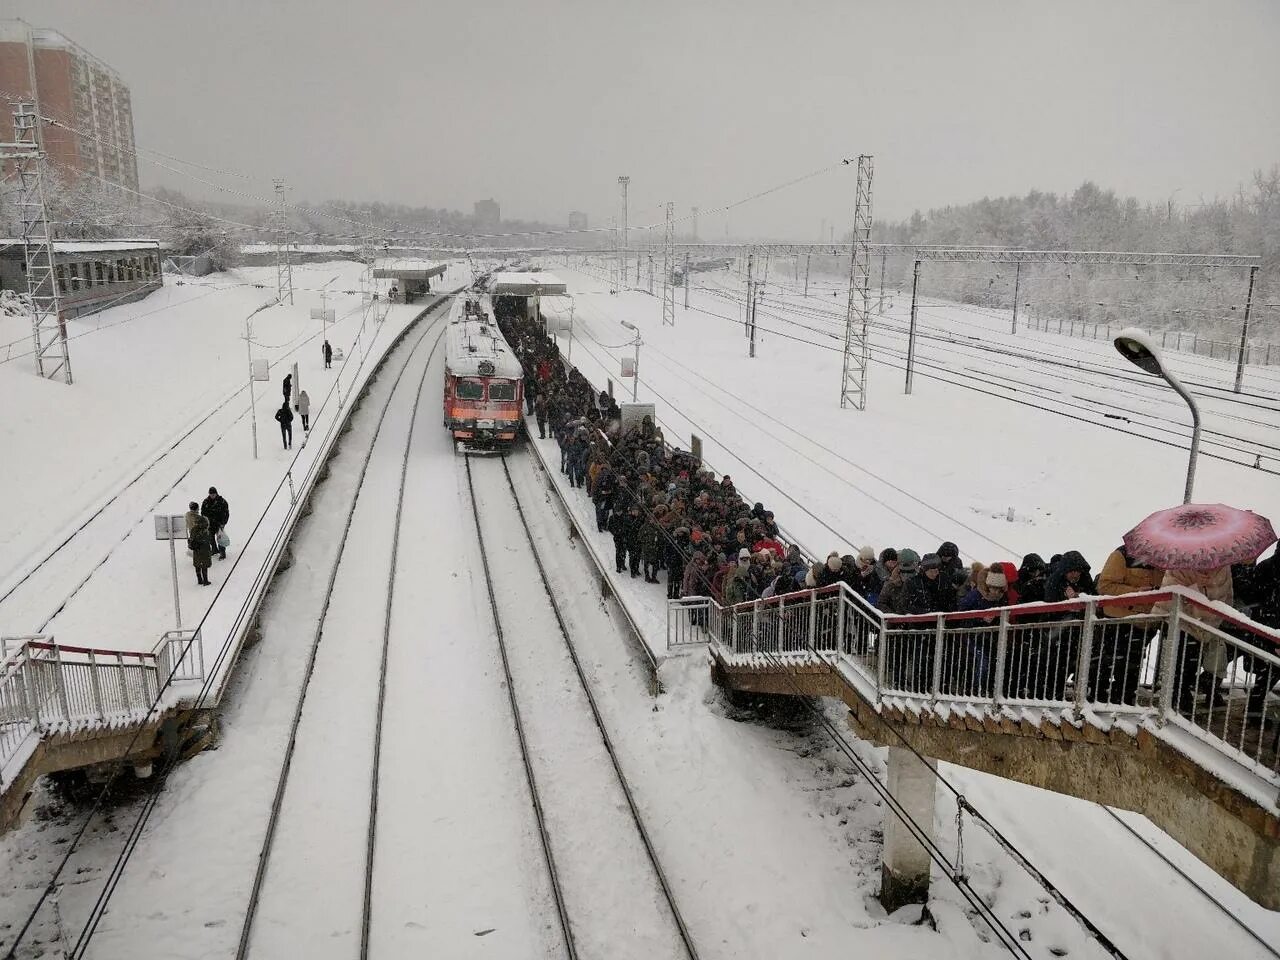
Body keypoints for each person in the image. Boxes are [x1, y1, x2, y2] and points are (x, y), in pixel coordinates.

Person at [1093, 544, 1163, 705]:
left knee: (1134, 661)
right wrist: (1136, 593)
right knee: (1112, 660)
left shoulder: (1161, 560)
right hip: (1120, 619)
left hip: (1146, 621)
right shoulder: (1122, 555)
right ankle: (1098, 695)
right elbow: (1105, 586)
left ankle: (1124, 697)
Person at [201, 486, 231, 561]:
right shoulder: (205, 502)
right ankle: (214, 550)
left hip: (219, 524)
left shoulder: (222, 501)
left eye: (213, 494)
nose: (212, 496)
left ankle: (222, 553)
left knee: (220, 538)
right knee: (211, 538)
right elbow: (203, 513)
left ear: (216, 493)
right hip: (209, 524)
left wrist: (223, 523)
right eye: (211, 494)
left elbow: (226, 513)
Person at [186, 504, 213, 586]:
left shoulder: (194, 529)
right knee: (204, 565)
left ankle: (199, 580)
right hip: (204, 550)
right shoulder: (205, 531)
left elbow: (191, 538)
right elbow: (208, 540)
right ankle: (205, 580)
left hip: (196, 550)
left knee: (197, 565)